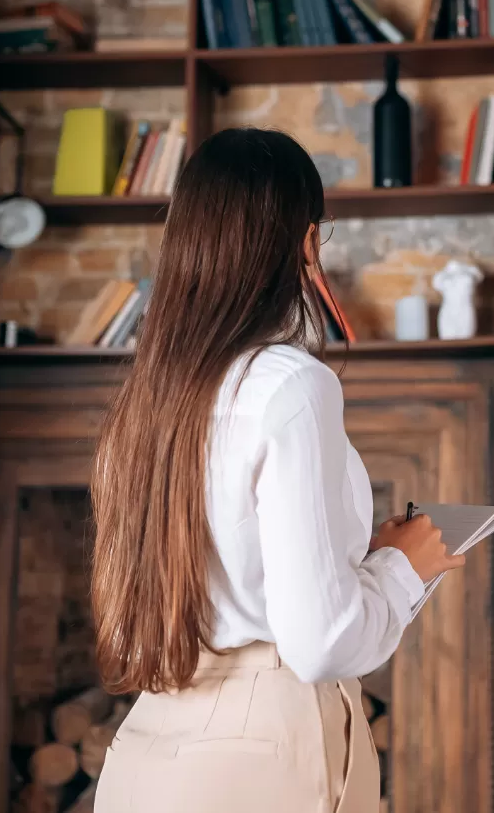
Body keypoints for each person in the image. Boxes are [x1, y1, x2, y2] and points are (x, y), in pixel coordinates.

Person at [90, 128, 464, 812]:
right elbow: (319, 643)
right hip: (259, 758)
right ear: (308, 244)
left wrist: (364, 557)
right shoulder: (290, 385)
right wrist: (406, 568)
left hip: (147, 751)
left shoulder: (145, 400)